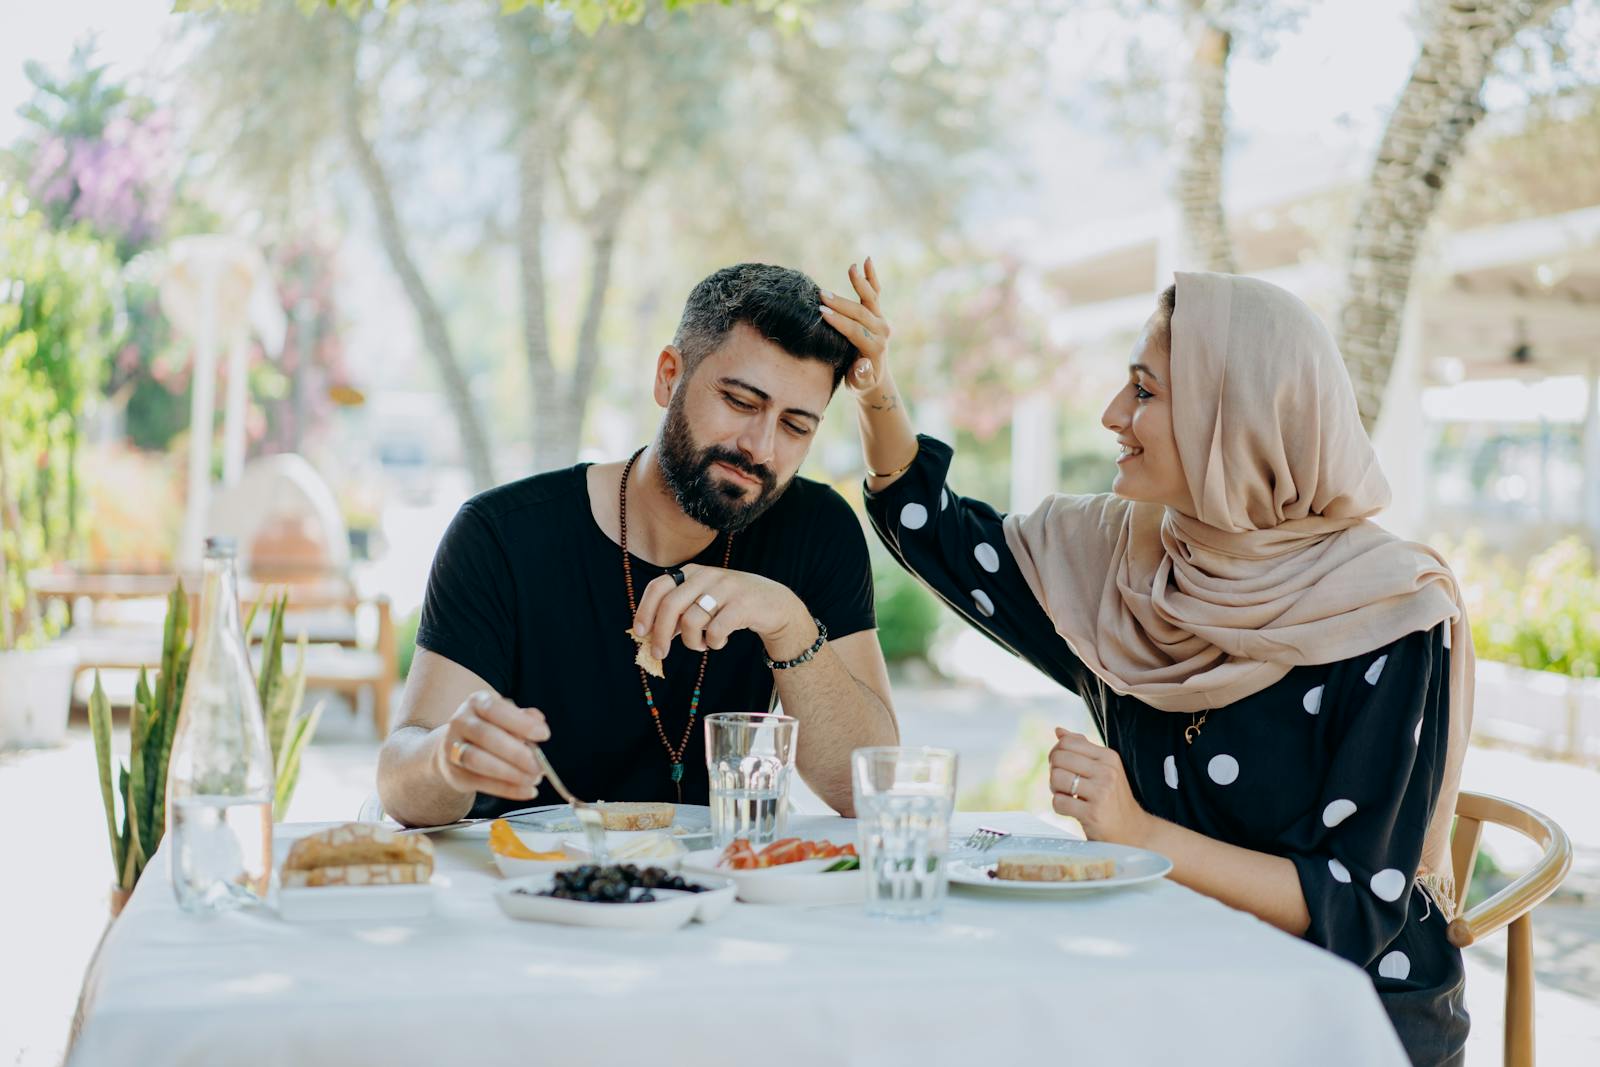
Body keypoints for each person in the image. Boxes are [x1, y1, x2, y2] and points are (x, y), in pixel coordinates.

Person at [828, 260, 1472, 1066]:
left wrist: (1136, 830)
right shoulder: (1121, 569)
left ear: (1230, 416)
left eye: (1144, 391)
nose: (1110, 414)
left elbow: (1354, 907)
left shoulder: (1383, 611)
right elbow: (940, 532)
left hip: (1345, 1014)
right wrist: (876, 389)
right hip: (1174, 975)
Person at [378, 263, 898, 829]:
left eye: (796, 426)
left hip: (725, 895)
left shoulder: (816, 529)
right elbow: (402, 788)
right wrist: (448, 758)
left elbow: (870, 788)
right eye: (741, 402)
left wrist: (791, 626)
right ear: (669, 376)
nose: (761, 448)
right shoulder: (502, 533)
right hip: (531, 895)